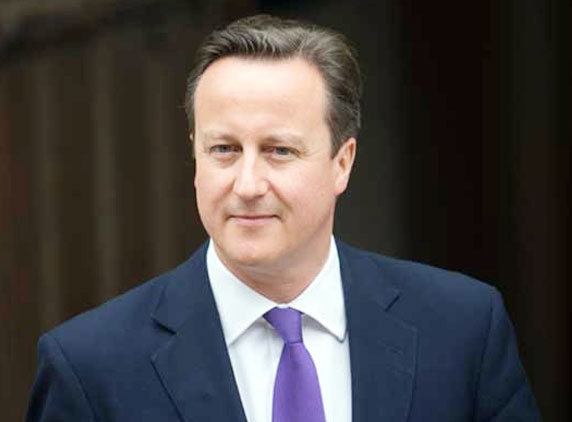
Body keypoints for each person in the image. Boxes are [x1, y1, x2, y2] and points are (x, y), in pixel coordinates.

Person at [27, 14, 540, 422]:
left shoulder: (462, 329)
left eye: (278, 151)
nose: (247, 185)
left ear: (343, 162)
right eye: (224, 149)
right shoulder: (90, 367)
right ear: (195, 157)